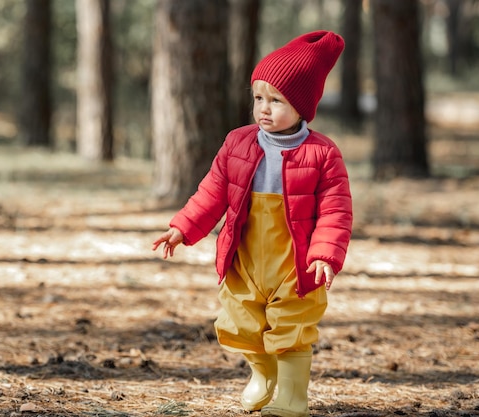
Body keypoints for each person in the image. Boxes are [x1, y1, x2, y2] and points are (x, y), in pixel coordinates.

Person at [152, 30, 352, 417]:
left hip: (295, 260)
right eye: (258, 97)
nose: (264, 108)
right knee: (240, 320)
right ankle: (263, 375)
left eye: (277, 100)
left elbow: (335, 209)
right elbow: (212, 192)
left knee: (291, 324)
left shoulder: (322, 153)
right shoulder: (238, 143)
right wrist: (183, 227)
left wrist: (326, 254)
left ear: (302, 106)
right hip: (245, 254)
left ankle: (292, 394)